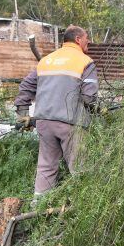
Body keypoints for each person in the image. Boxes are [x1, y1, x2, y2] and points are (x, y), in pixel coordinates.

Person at [14, 25, 98, 200]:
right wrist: (98, 111)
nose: (88, 41)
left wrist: (22, 112)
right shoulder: (85, 61)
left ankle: (38, 208)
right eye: (86, 37)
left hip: (44, 121)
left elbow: (26, 86)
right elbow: (89, 97)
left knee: (46, 166)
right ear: (77, 39)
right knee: (79, 167)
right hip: (71, 122)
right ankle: (82, 206)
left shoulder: (47, 60)